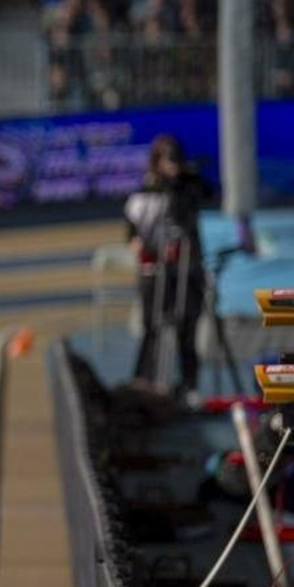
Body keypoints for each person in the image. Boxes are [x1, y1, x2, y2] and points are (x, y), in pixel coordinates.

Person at [125, 134, 210, 397]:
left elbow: (205, 196)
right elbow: (133, 233)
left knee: (187, 328)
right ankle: (144, 381)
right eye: (167, 159)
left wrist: (184, 178)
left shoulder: (190, 186)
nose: (172, 165)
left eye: (176, 159)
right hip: (156, 272)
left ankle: (189, 385)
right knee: (153, 326)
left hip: (188, 269)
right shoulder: (146, 193)